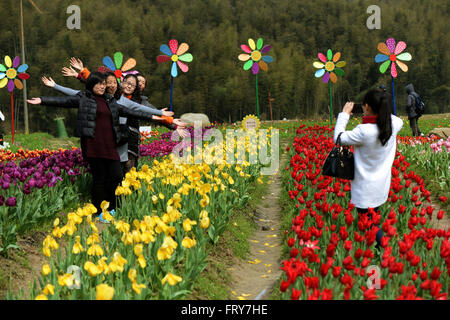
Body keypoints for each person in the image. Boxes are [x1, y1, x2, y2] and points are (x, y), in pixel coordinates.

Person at [28, 72, 175, 217]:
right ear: (91, 85)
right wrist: (42, 100)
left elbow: (131, 111)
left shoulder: (110, 100)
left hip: (110, 145)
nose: (102, 86)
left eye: (103, 83)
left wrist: (159, 118)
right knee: (100, 179)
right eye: (99, 83)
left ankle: (111, 207)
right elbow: (64, 102)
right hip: (93, 145)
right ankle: (99, 211)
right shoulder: (84, 98)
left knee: (117, 176)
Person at [333, 89, 403, 249]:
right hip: (381, 185)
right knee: (374, 217)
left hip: (364, 188)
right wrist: (380, 110)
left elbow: (338, 138)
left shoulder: (363, 132)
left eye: (364, 106)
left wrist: (344, 114)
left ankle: (383, 249)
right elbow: (393, 119)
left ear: (367, 107)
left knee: (369, 223)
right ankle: (376, 248)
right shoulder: (394, 124)